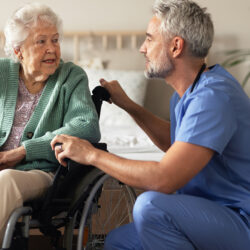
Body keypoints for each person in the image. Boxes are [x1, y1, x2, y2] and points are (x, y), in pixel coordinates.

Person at [51, 0, 250, 249]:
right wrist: (129, 106)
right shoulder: (186, 93)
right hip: (209, 213)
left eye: (149, 39)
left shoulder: (212, 97)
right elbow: (177, 144)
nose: (142, 48)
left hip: (240, 219)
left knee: (150, 206)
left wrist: (91, 155)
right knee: (118, 242)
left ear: (176, 46)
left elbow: (164, 179)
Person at [0, 2, 100, 245]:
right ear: (18, 51)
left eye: (55, 40)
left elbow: (86, 125)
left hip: (41, 172)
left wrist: (23, 151)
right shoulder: (3, 72)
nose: (52, 49)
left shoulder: (71, 77)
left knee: (7, 181)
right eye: (41, 41)